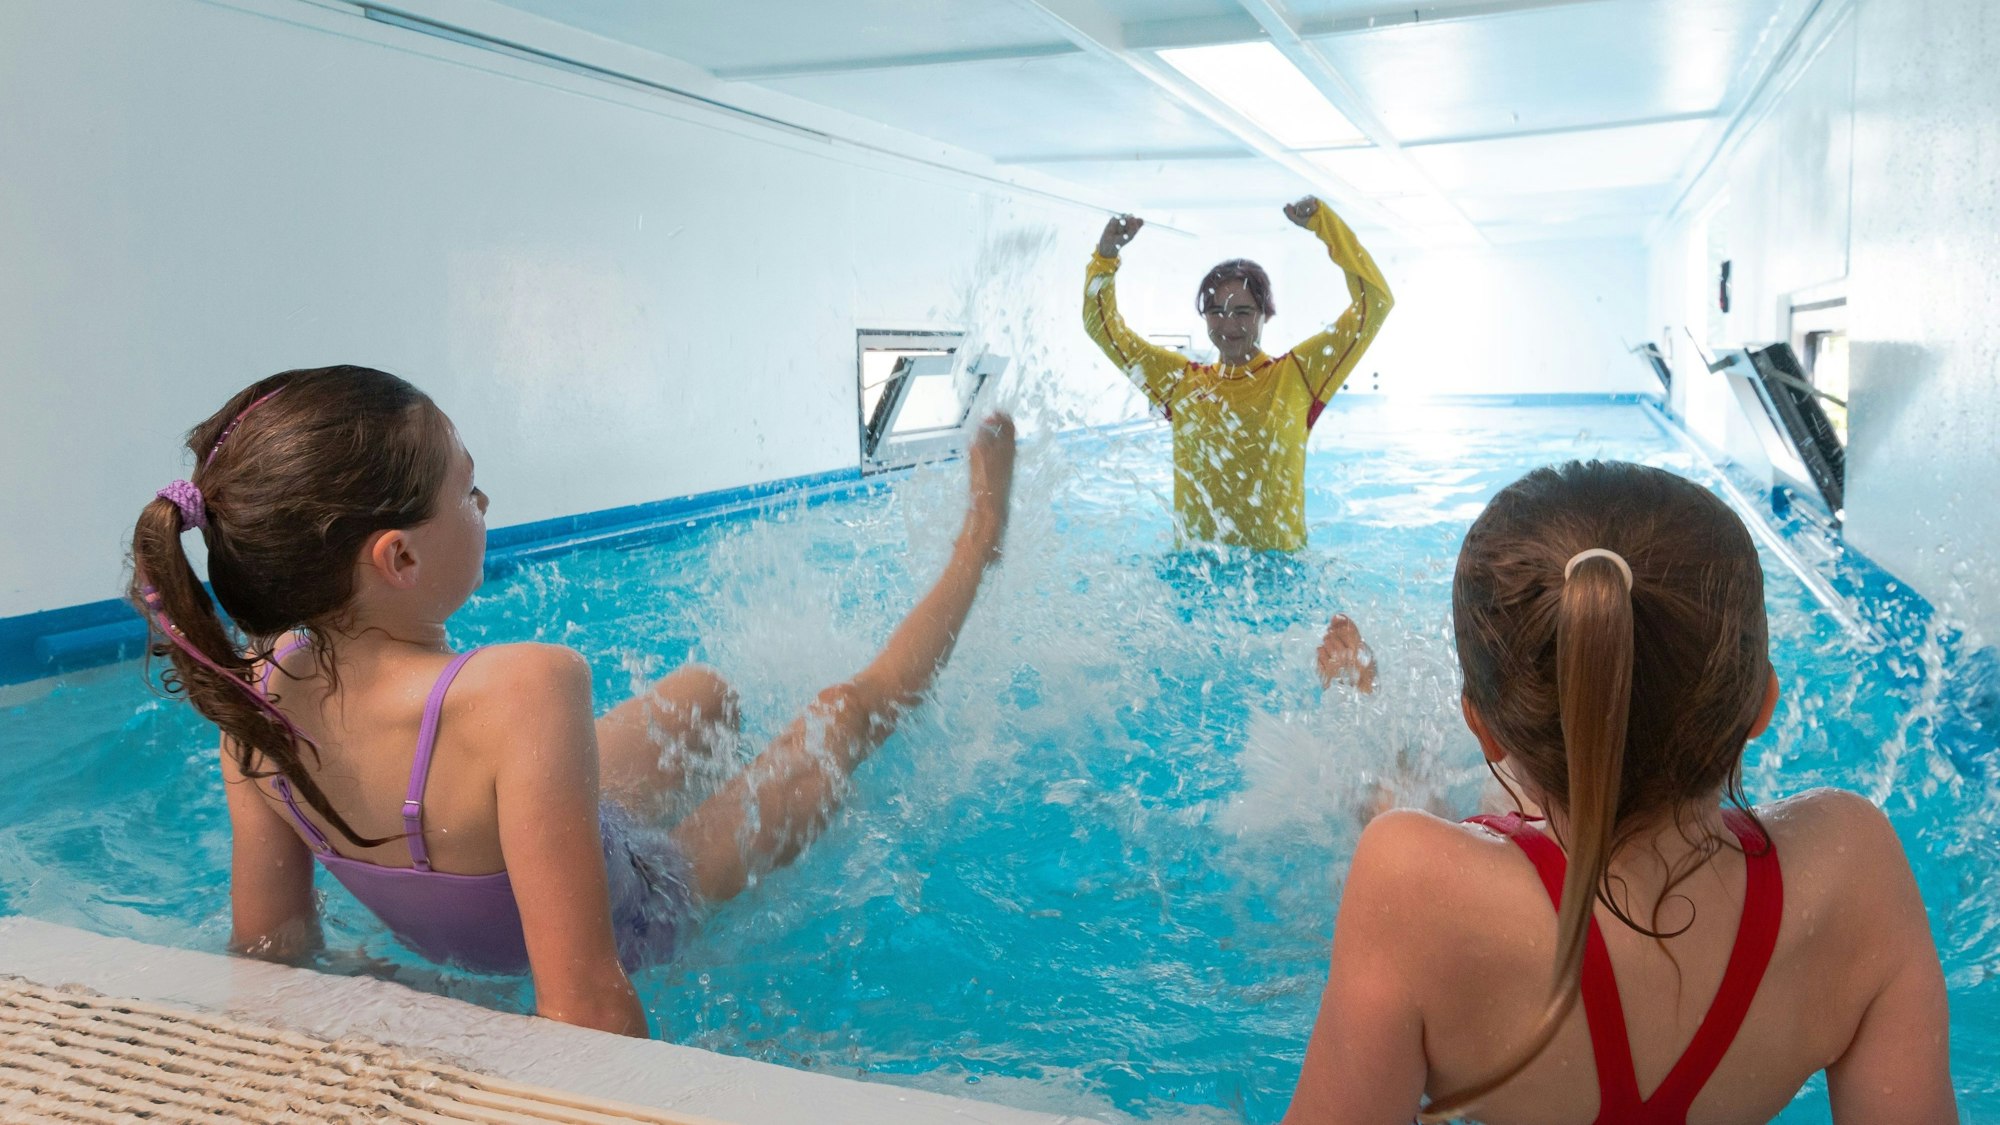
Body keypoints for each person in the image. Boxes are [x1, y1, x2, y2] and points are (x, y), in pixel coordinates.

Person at [128, 366, 1015, 1038]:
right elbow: (586, 1002)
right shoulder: (526, 687)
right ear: (399, 559)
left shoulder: (252, 706)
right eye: (467, 491)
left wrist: (412, 996)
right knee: (845, 711)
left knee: (706, 695)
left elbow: (271, 952)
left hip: (480, 834)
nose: (485, 504)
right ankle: (979, 541)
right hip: (647, 903)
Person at [1282, 461, 1955, 1124]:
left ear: (1481, 725)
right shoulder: (1854, 868)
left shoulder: (1409, 880)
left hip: (1481, 878)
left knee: (1421, 815)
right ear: (1762, 707)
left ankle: (1361, 700)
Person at [1082, 197, 1393, 552]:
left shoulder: (1298, 376)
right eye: (1216, 311)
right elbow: (1102, 328)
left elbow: (1375, 305)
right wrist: (1105, 257)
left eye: (1243, 312)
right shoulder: (1180, 382)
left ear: (1266, 315)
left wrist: (1326, 225)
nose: (1228, 325)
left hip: (1282, 572)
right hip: (1194, 573)